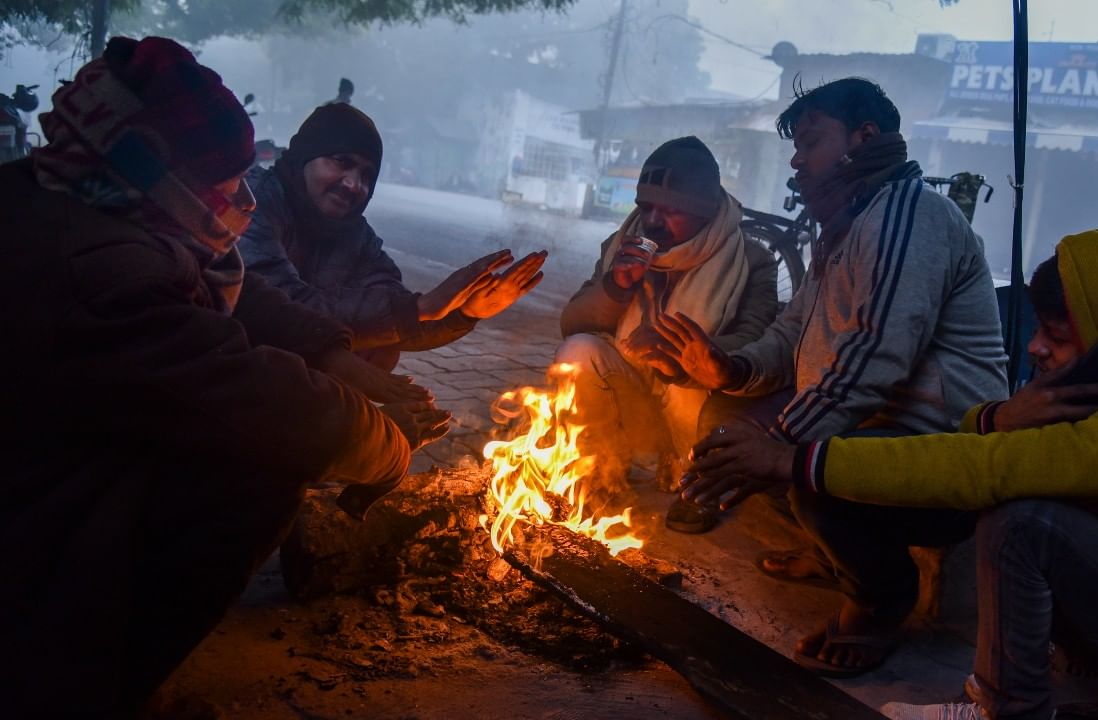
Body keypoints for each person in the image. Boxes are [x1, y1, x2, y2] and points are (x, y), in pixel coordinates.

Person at [0, 37, 448, 716]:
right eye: (223, 183)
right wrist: (386, 444)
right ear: (156, 170)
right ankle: (83, 688)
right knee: (260, 464)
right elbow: (264, 400)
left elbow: (258, 305)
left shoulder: (63, 195)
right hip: (26, 522)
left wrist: (340, 359)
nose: (237, 200)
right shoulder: (97, 274)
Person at [682, 220, 1098, 720]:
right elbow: (991, 450)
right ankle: (1089, 687)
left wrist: (792, 459)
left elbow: (981, 469)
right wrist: (1002, 419)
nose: (1036, 350)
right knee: (1047, 495)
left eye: (1058, 336)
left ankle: (1001, 707)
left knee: (1024, 520)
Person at [649, 78, 1008, 672]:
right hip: (867, 429)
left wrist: (779, 444)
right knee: (722, 416)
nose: (797, 159)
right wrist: (730, 367)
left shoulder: (909, 215)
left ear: (863, 139)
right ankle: (836, 555)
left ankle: (880, 599)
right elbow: (795, 331)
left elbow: (874, 356)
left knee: (806, 476)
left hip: (940, 451)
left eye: (811, 141)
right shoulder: (848, 223)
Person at [556, 136, 778, 532]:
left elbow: (755, 345)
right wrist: (616, 287)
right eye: (646, 207)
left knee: (701, 373)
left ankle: (701, 482)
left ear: (705, 211)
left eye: (670, 210)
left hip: (695, 403)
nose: (653, 222)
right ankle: (601, 469)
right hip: (634, 391)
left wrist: (684, 357)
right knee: (578, 352)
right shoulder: (621, 247)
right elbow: (572, 324)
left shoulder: (751, 259)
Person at [239, 102, 547, 371]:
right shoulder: (253, 203)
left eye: (366, 176)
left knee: (382, 344)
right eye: (341, 162)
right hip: (234, 364)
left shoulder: (356, 236)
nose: (352, 184)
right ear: (304, 158)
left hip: (303, 370)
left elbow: (397, 318)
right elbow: (281, 308)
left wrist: (466, 312)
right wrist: (419, 308)